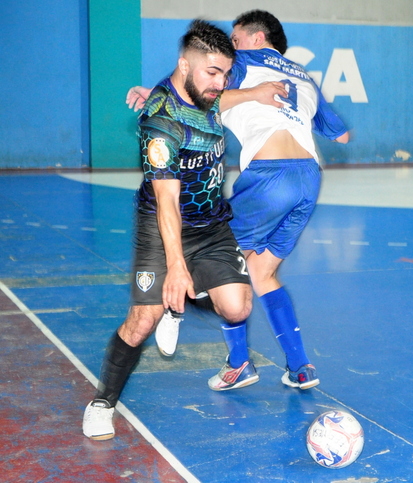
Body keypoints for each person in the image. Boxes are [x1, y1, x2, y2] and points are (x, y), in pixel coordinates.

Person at [127, 10, 349, 392]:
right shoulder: (303, 76)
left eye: (235, 39)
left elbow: (194, 88)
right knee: (262, 273)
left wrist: (159, 95)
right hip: (309, 179)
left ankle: (234, 359)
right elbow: (340, 135)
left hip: (270, 176)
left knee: (215, 257)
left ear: (257, 38)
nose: (230, 48)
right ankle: (300, 367)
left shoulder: (242, 62)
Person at [82, 19, 270, 441]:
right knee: (142, 320)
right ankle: (102, 403)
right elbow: (167, 201)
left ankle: (177, 302)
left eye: (226, 73)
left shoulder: (207, 92)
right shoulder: (160, 123)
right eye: (213, 73)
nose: (221, 83)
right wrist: (177, 267)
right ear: (185, 65)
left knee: (237, 308)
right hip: (162, 223)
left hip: (211, 223)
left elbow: (219, 100)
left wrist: (254, 93)